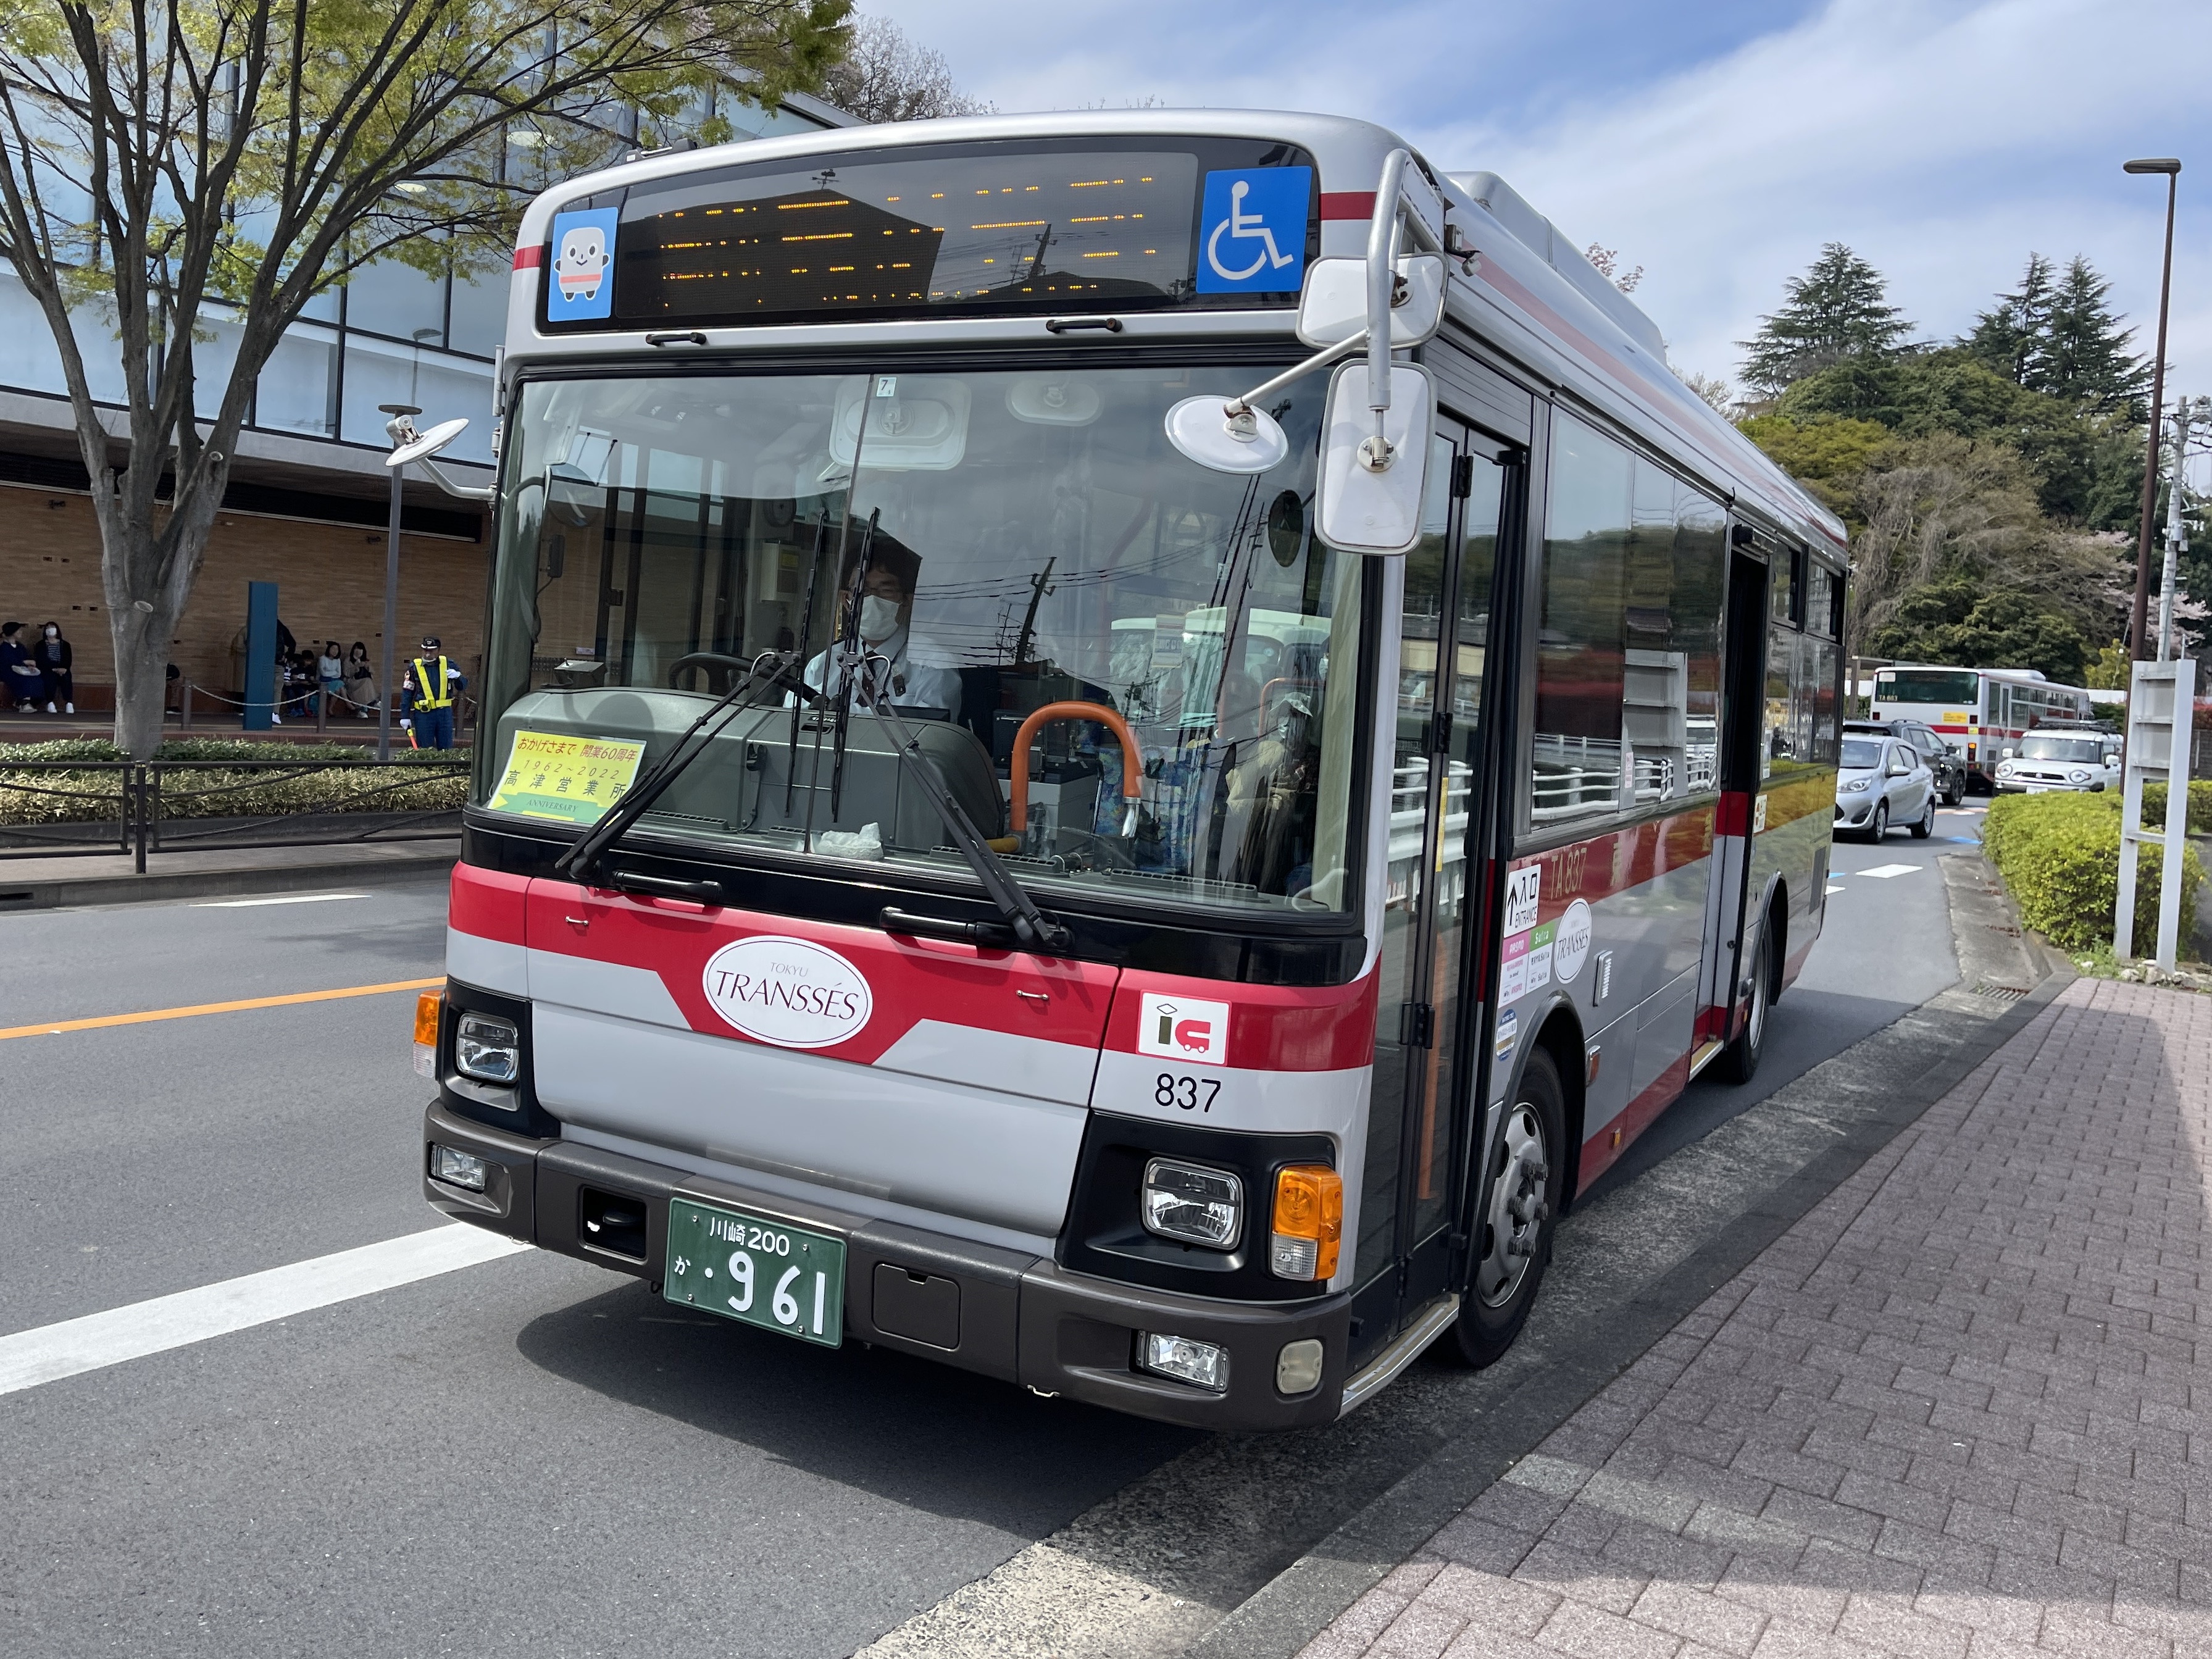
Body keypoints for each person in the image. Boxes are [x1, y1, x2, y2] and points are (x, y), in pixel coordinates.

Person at [798, 545, 958, 711]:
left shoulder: (933, 664)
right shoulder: (823, 665)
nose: (873, 598)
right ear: (846, 601)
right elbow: (792, 717)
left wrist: (846, 713)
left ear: (907, 601)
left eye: (886, 590)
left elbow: (929, 724)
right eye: (861, 590)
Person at [403, 635, 465, 749]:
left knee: (446, 749)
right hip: (424, 714)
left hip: (444, 714)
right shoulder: (414, 668)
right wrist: (405, 716)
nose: (427, 654)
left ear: (438, 650)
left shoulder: (449, 664)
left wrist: (458, 677)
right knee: (425, 749)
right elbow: (407, 693)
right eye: (425, 650)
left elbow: (462, 686)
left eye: (431, 651)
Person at [1, 621, 43, 711]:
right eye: (18, 631)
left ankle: (28, 702)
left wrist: (30, 667)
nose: (21, 632)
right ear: (12, 632)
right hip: (8, 671)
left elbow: (26, 657)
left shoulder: (20, 646)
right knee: (22, 679)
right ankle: (24, 702)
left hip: (21, 670)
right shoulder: (4, 647)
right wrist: (25, 662)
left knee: (37, 679)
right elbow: (8, 661)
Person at [33, 622, 73, 713]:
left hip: (62, 669)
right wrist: (53, 668)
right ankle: (50, 702)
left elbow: (68, 659)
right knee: (50, 678)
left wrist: (63, 668)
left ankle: (69, 702)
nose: (50, 629)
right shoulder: (40, 645)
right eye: (47, 628)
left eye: (52, 627)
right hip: (48, 669)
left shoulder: (65, 645)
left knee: (66, 678)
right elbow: (41, 660)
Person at [347, 641, 377, 719]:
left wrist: (367, 667)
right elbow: (347, 674)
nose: (358, 651)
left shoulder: (365, 660)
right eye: (356, 649)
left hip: (363, 682)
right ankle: (372, 702)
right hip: (352, 682)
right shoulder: (348, 660)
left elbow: (372, 673)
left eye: (360, 649)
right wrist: (356, 667)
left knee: (367, 682)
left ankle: (363, 709)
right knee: (367, 682)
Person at [317, 640, 344, 717]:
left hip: (334, 681)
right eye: (333, 649)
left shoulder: (338, 660)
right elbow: (323, 674)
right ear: (329, 649)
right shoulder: (322, 658)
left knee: (338, 689)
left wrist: (329, 673)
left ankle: (330, 709)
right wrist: (334, 673)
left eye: (337, 649)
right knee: (339, 686)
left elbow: (339, 674)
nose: (335, 651)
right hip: (323, 682)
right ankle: (347, 704)